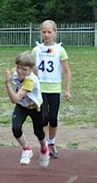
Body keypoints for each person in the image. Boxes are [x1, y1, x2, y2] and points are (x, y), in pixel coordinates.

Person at [31, 20, 72, 158]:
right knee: (43, 119)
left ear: (55, 33)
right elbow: (30, 68)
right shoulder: (37, 50)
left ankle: (51, 142)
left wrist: (67, 90)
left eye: (49, 32)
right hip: (40, 89)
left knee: (53, 119)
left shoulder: (60, 50)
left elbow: (67, 71)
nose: (46, 35)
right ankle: (44, 144)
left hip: (54, 89)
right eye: (44, 32)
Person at [4, 52, 49, 168]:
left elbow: (14, 99)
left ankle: (44, 147)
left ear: (31, 68)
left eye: (24, 69)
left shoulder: (31, 82)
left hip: (35, 107)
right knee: (16, 128)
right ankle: (27, 149)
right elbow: (13, 71)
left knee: (38, 132)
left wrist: (7, 84)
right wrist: (9, 73)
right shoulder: (17, 72)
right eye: (18, 68)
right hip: (22, 106)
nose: (20, 71)